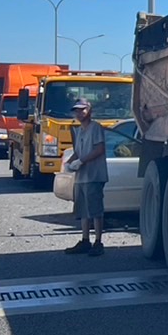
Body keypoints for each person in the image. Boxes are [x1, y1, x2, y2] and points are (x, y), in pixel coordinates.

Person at [63, 98, 107, 257]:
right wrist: (69, 162)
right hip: (81, 177)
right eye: (77, 110)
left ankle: (98, 242)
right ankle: (85, 240)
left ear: (90, 111)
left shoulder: (95, 127)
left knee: (95, 210)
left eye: (82, 109)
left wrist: (81, 161)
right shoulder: (79, 130)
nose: (79, 113)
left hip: (94, 175)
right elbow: (78, 151)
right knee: (83, 210)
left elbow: (100, 149)